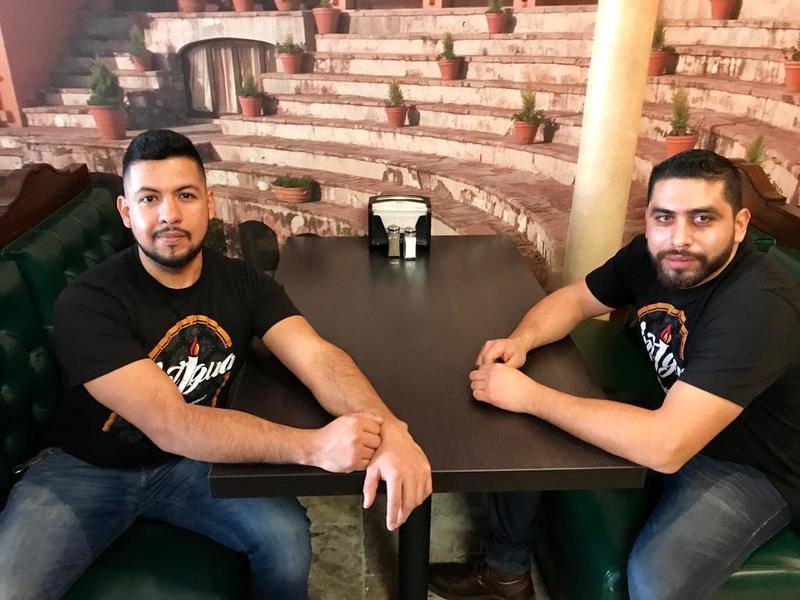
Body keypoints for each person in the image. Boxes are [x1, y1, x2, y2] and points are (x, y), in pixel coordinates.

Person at [0, 129, 431, 600]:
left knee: (286, 544)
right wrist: (315, 447)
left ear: (209, 202)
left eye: (185, 195)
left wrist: (390, 428)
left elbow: (317, 357)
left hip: (190, 466)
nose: (169, 214)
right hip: (83, 468)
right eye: (149, 198)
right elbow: (174, 423)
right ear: (126, 212)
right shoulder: (88, 303)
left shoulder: (243, 283)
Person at [428, 150, 800, 600]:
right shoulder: (652, 254)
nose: (679, 237)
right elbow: (575, 301)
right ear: (648, 218)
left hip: (751, 467)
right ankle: (504, 573)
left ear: (739, 225)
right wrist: (521, 341)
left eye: (703, 219)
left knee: (655, 579)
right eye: (664, 217)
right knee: (524, 436)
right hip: (673, 411)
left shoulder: (758, 305)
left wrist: (530, 396)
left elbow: (666, 446)